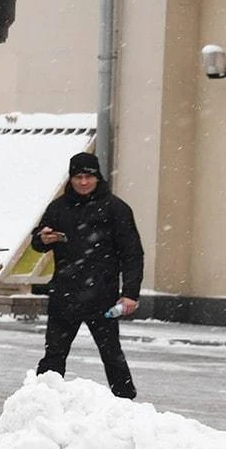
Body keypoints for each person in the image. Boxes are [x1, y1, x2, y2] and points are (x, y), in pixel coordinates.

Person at [31, 151, 144, 399]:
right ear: (70, 178)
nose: (83, 182)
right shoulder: (59, 207)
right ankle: (40, 401)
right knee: (54, 354)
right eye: (78, 177)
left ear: (97, 177)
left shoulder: (116, 209)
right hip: (65, 294)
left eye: (88, 177)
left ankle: (126, 402)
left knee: (111, 354)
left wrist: (130, 294)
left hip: (102, 296)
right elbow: (38, 241)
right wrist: (42, 238)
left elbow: (133, 253)